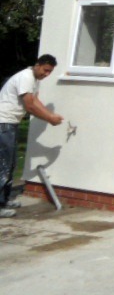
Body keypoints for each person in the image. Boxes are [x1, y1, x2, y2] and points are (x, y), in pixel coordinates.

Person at [0, 55, 64, 218]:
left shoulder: (34, 80)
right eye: (45, 70)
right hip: (3, 123)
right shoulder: (26, 77)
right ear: (37, 65)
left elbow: (35, 100)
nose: (46, 74)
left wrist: (50, 114)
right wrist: (49, 118)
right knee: (4, 165)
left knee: (11, 163)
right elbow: (29, 105)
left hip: (11, 123)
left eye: (50, 72)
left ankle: (5, 199)